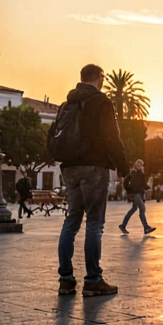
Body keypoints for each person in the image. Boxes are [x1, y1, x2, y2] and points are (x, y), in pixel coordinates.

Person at [54, 64, 129, 298]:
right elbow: (112, 138)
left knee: (72, 220)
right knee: (95, 223)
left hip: (69, 168)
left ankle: (66, 279)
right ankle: (93, 279)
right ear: (100, 79)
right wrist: (124, 167)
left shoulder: (66, 104)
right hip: (93, 167)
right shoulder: (101, 102)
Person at [119, 160, 155, 235]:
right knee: (142, 208)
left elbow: (144, 184)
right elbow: (125, 182)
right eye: (138, 164)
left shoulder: (142, 174)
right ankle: (146, 227)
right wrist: (129, 190)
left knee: (134, 208)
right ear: (135, 165)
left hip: (140, 194)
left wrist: (148, 187)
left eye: (140, 165)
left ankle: (123, 225)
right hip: (135, 193)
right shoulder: (132, 173)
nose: (139, 166)